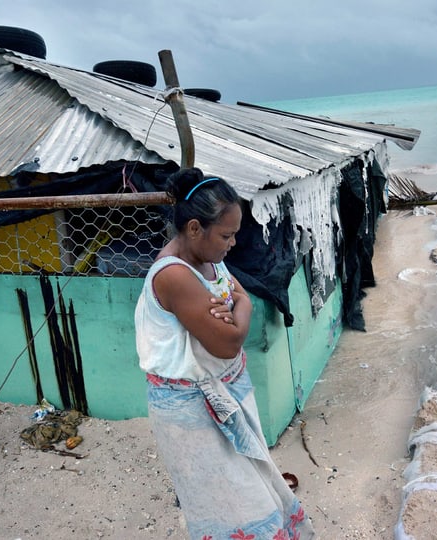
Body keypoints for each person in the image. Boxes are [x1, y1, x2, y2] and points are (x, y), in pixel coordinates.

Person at [134, 168, 315, 539]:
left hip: (220, 392)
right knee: (228, 498)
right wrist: (235, 315)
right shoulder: (174, 275)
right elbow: (228, 344)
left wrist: (236, 310)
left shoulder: (210, 260)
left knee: (248, 482)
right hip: (190, 408)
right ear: (195, 228)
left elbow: (243, 298)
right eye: (226, 235)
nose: (232, 244)